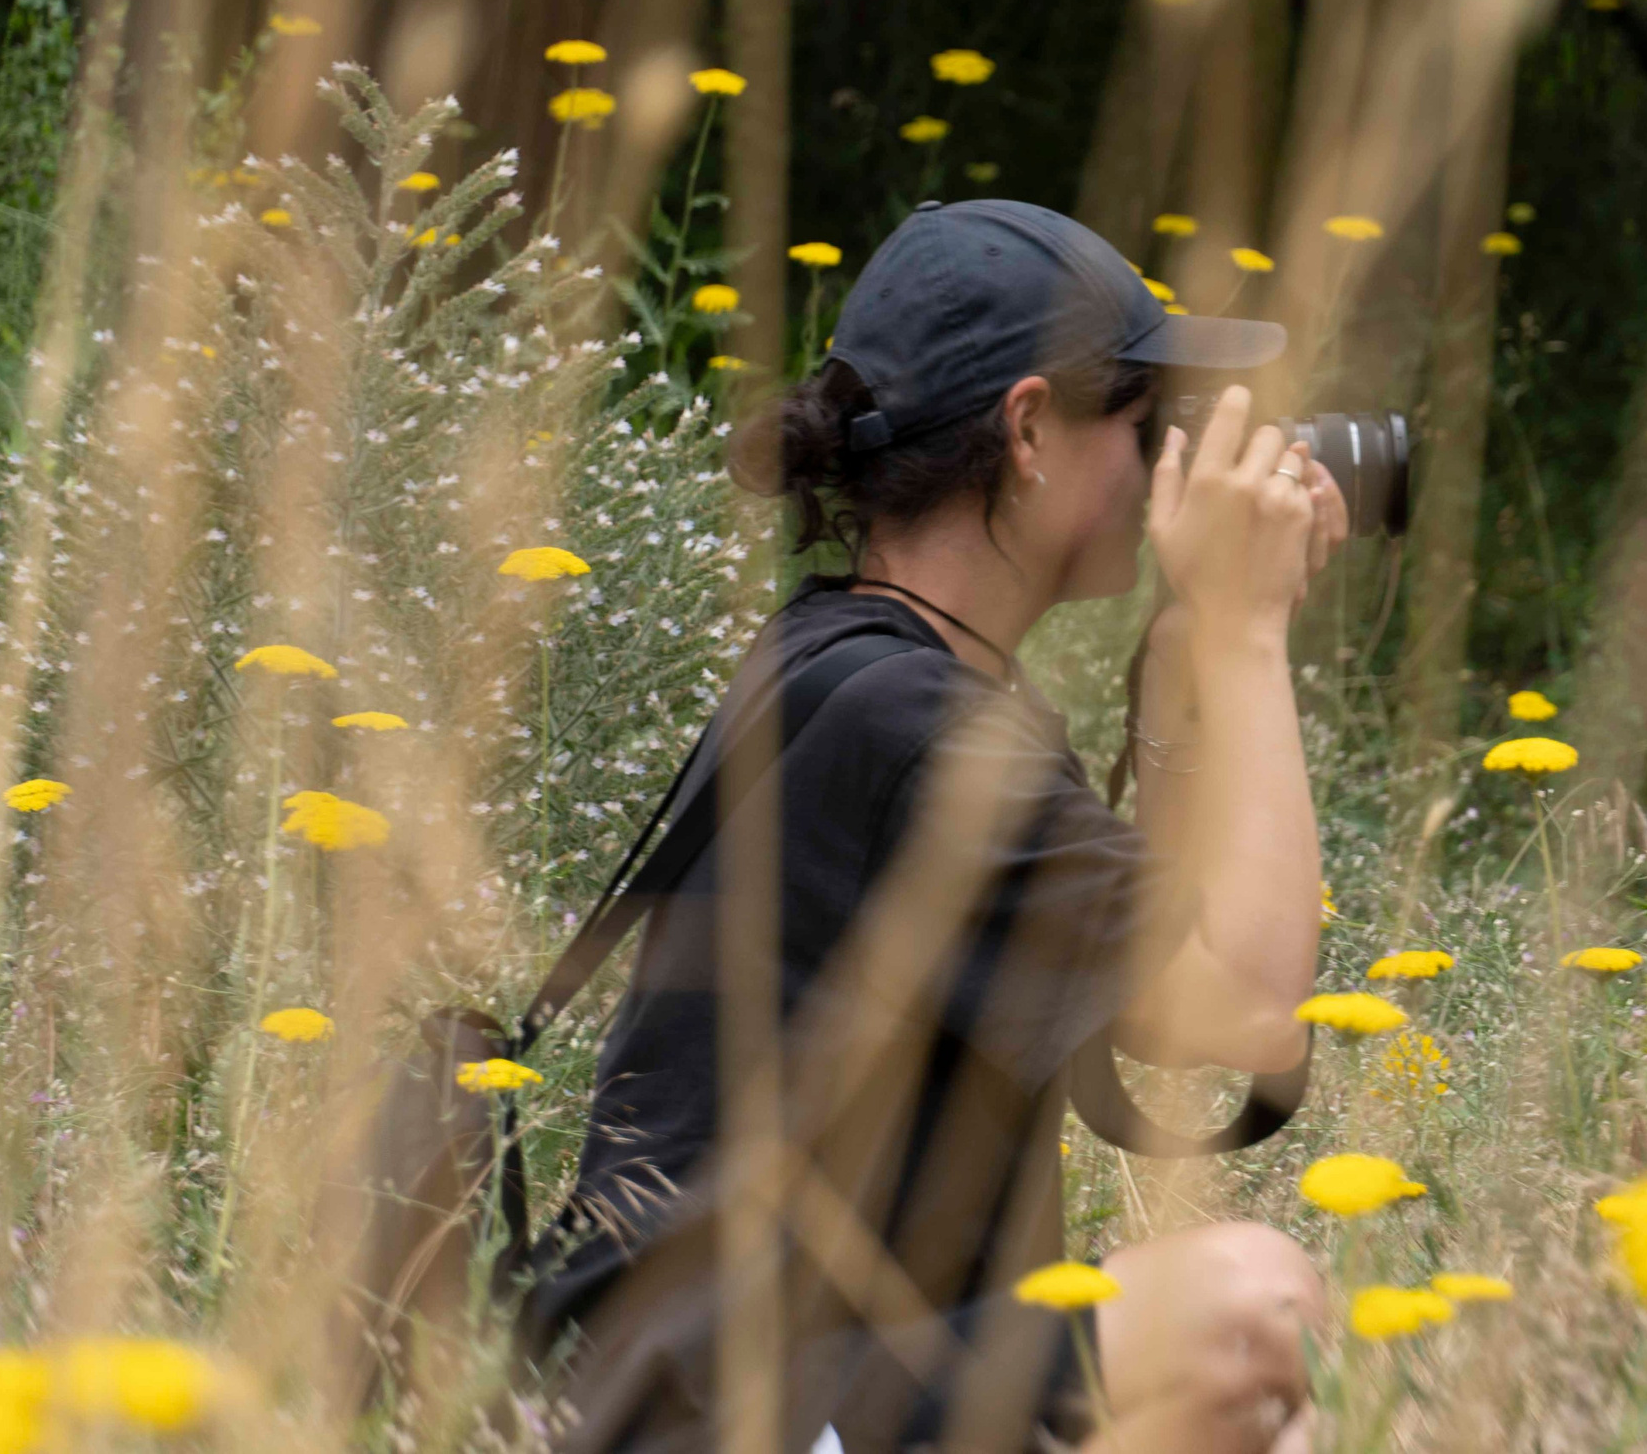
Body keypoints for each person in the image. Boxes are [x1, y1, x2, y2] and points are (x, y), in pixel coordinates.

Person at [524, 199, 1346, 1454]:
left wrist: (1189, 648)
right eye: (1142, 425)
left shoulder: (860, 665)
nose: (1162, 469)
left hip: (755, 1376)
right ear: (1030, 430)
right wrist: (1247, 630)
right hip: (716, 1408)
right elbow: (1243, 1004)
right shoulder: (916, 727)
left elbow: (1164, 995)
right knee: (1249, 1317)